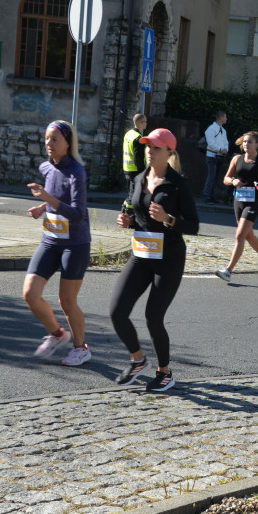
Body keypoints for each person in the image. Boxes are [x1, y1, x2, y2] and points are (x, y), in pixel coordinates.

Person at [110, 128, 199, 391]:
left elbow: (193, 226)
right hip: (141, 254)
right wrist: (126, 222)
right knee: (117, 312)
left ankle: (165, 372)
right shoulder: (138, 179)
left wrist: (168, 219)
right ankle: (138, 360)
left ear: (169, 152)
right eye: (148, 146)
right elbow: (135, 214)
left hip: (169, 259)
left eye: (156, 147)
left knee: (153, 317)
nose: (149, 151)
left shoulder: (177, 184)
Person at [24, 120, 92, 366]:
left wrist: (46, 198)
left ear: (67, 143)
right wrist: (42, 207)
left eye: (54, 140)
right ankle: (57, 334)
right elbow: (57, 200)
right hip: (51, 240)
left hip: (75, 244)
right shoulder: (46, 167)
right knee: (30, 294)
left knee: (67, 301)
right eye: (46, 139)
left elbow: (77, 213)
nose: (49, 144)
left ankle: (81, 348)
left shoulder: (77, 172)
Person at [216, 131, 258, 281]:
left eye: (249, 142)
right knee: (248, 235)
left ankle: (228, 271)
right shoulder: (237, 159)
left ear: (257, 144)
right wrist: (233, 181)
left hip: (253, 202)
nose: (246, 144)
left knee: (239, 235)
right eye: (244, 142)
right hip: (239, 201)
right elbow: (225, 178)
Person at [202, 110, 229, 204]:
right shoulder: (211, 129)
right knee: (211, 176)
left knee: (216, 177)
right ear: (221, 117)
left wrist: (225, 149)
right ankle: (206, 196)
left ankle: (212, 196)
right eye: (225, 117)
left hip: (220, 157)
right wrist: (221, 149)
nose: (226, 118)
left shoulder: (223, 130)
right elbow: (211, 144)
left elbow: (226, 142)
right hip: (212, 156)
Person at [121, 113, 147, 209]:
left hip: (127, 168)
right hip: (135, 171)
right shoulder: (138, 138)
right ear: (141, 123)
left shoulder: (128, 134)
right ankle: (126, 211)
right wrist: (142, 172)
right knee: (133, 197)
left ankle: (127, 209)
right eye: (145, 121)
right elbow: (138, 157)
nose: (146, 123)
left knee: (131, 194)